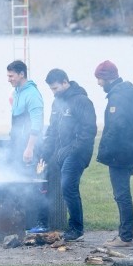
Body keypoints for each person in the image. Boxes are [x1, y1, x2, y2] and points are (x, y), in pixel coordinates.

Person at [39, 69, 97, 242]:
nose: (54, 92)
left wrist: (70, 149)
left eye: (56, 88)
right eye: (51, 89)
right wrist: (45, 151)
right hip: (60, 152)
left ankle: (77, 228)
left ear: (65, 82)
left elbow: (89, 132)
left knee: (68, 187)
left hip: (78, 152)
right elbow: (52, 130)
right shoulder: (56, 103)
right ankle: (71, 226)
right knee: (65, 188)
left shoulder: (82, 101)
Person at [94, 60, 133, 248]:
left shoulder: (118, 96)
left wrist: (105, 151)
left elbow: (115, 126)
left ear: (107, 78)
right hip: (127, 150)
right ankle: (124, 234)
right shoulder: (123, 92)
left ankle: (125, 237)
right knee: (122, 194)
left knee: (121, 194)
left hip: (120, 153)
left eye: (99, 79)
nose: (98, 83)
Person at [6, 60, 46, 232]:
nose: (8, 79)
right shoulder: (17, 92)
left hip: (30, 147)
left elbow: (36, 124)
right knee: (20, 183)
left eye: (11, 75)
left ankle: (40, 223)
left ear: (21, 74)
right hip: (18, 145)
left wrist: (29, 148)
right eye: (8, 75)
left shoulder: (32, 94)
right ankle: (24, 221)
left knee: (34, 184)